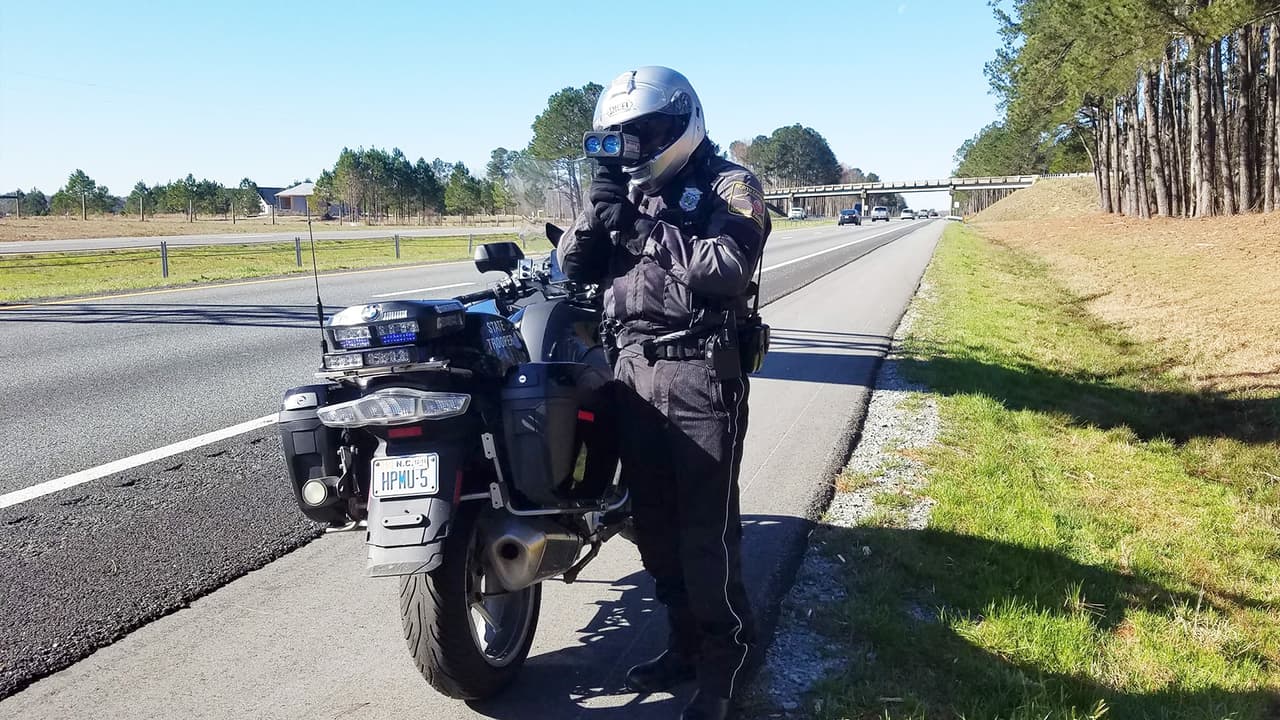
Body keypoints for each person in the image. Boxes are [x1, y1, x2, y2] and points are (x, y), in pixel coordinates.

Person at [557, 66, 770, 720]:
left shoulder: (728, 184)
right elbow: (572, 266)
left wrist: (641, 230)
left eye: (646, 132)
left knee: (705, 533)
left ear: (681, 122)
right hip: (630, 373)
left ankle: (725, 661)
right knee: (651, 526)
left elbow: (728, 268)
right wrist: (597, 214)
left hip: (699, 369)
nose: (636, 145)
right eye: (621, 136)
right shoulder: (625, 191)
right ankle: (682, 642)